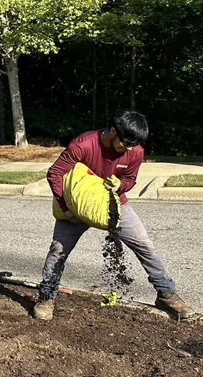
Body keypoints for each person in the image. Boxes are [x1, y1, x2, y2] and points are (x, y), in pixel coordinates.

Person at [33, 110, 197, 322]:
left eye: (133, 144)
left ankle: (166, 294)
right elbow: (55, 173)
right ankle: (46, 297)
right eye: (126, 143)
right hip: (76, 204)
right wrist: (65, 208)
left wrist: (121, 185)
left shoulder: (135, 151)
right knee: (58, 249)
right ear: (113, 131)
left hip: (112, 203)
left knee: (144, 244)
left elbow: (130, 179)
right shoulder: (83, 144)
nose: (128, 148)